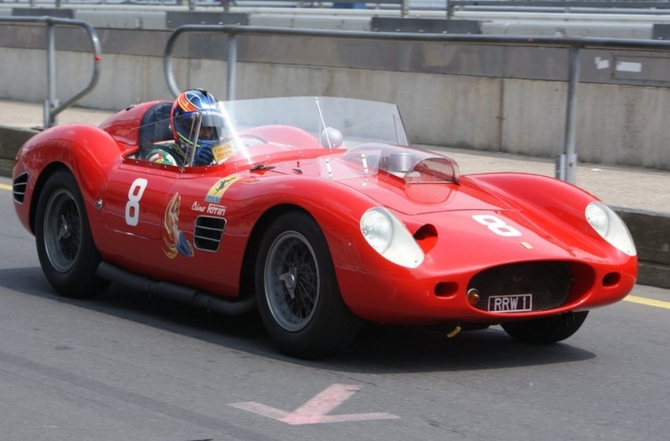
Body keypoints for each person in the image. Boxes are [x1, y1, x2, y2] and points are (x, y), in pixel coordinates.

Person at [146, 88, 225, 166]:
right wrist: (195, 167)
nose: (207, 134)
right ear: (183, 125)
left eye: (210, 128)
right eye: (199, 127)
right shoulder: (162, 156)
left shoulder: (221, 153)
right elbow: (166, 178)